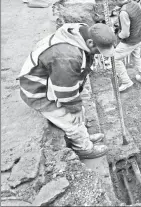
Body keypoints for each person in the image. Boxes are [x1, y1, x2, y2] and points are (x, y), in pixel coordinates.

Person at [18, 23, 116, 159]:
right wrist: (75, 109)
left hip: (52, 82)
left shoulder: (80, 32)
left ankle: (84, 136)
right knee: (72, 120)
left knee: (80, 111)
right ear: (90, 42)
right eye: (98, 50)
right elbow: (64, 91)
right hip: (39, 91)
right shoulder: (67, 57)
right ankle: (84, 149)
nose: (99, 54)